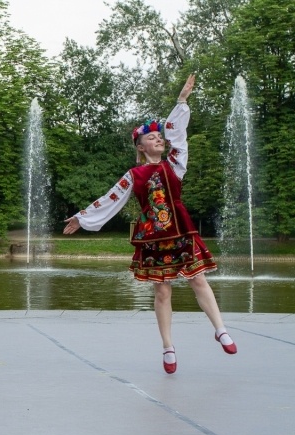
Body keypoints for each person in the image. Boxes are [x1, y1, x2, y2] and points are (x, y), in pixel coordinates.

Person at [62, 74, 237, 374]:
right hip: (154, 236)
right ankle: (168, 346)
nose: (159, 139)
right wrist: (82, 217)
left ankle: (219, 328)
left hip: (181, 230)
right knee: (162, 291)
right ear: (141, 147)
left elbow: (176, 133)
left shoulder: (176, 164)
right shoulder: (135, 175)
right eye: (152, 138)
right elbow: (111, 197)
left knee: (198, 279)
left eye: (160, 137)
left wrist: (182, 102)